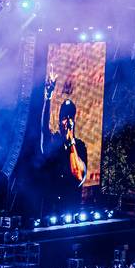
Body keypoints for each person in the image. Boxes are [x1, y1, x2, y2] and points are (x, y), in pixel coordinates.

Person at [40, 75, 88, 213]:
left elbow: (79, 174)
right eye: (64, 118)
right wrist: (48, 98)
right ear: (59, 120)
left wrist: (71, 140)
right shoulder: (54, 140)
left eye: (70, 117)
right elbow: (44, 129)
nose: (67, 121)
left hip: (71, 207)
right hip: (51, 206)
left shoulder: (80, 146)